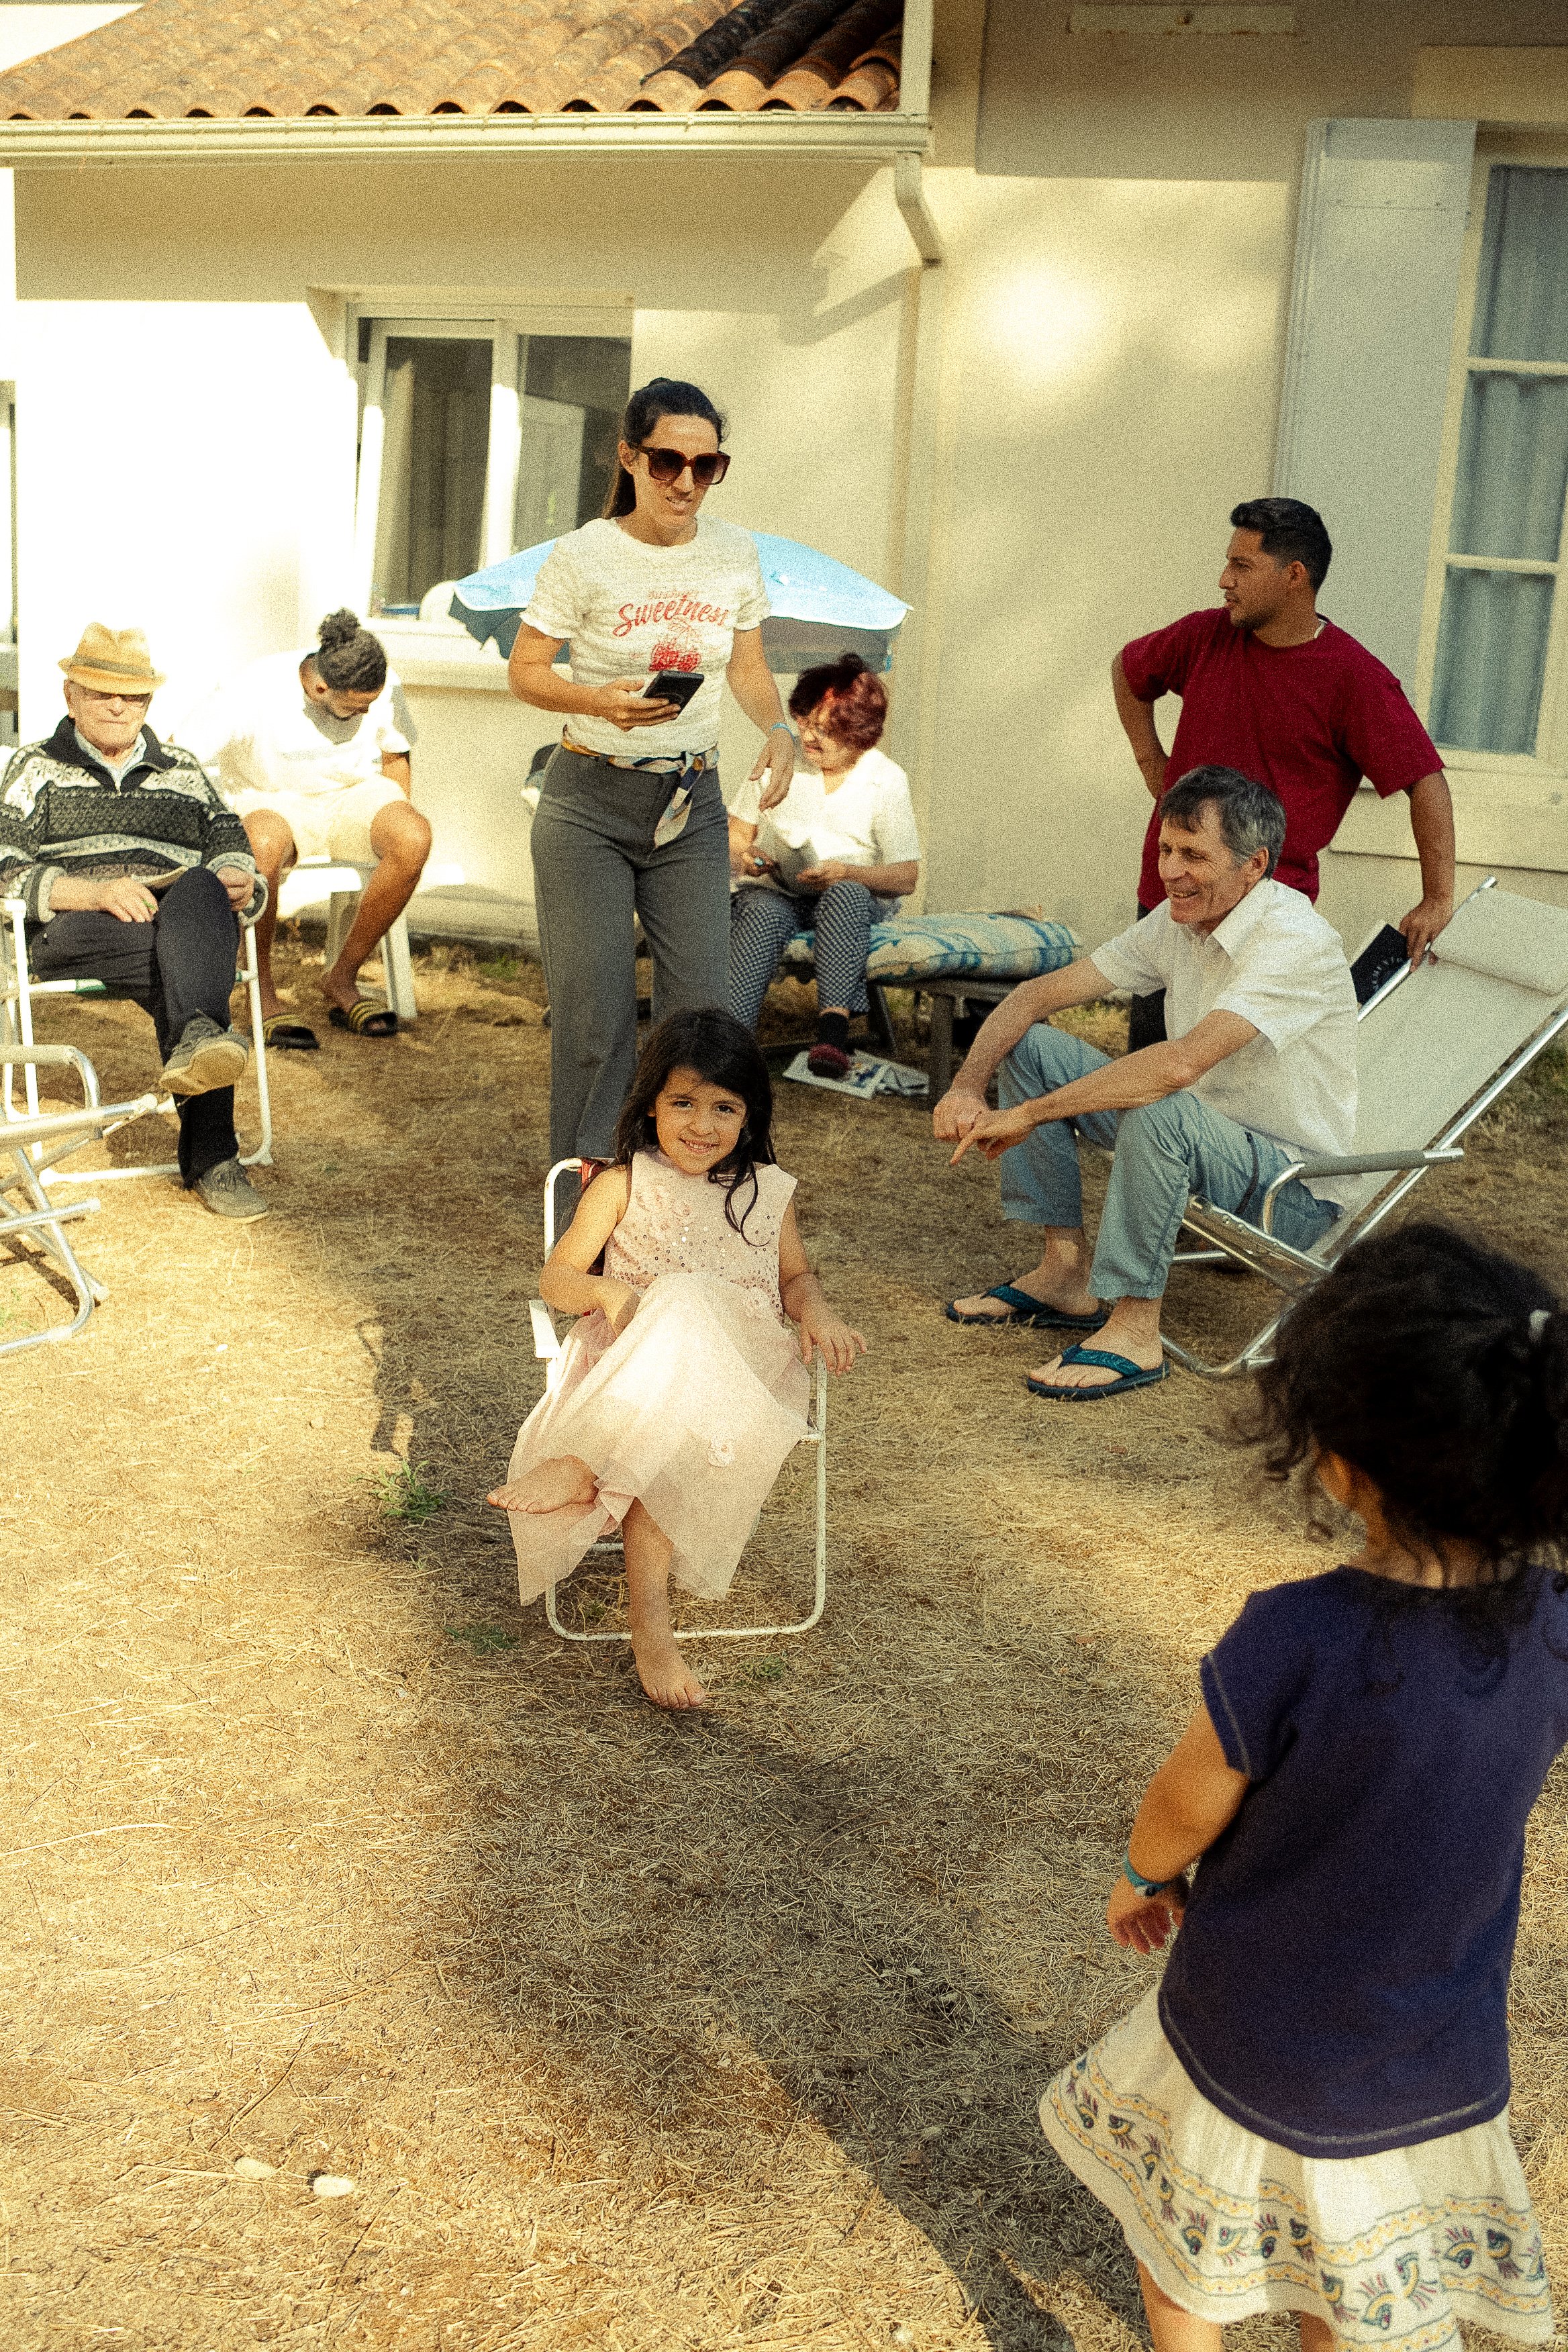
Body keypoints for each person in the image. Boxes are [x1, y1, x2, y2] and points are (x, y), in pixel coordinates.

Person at [1039, 1220, 1567, 2352]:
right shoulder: (1555, 1627)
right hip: (1434, 2046)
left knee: (1179, 2246)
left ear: (1341, 1460)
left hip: (1254, 2031)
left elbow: (1186, 1800)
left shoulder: (1294, 1633)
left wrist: (1146, 1871)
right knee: (1352, 2282)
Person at [937, 766, 1356, 1400]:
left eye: (1194, 854)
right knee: (1034, 1044)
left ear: (1254, 865)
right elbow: (1033, 996)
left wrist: (1031, 1114)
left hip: (1292, 1193)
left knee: (1162, 1106)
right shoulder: (1181, 918)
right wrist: (967, 1087)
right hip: (1204, 1139)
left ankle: (1134, 1329)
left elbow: (1177, 1067)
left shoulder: (1294, 940)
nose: (1170, 870)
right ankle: (1064, 1274)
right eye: (1166, 849)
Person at [488, 1008, 865, 1710]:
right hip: (640, 1371)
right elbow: (557, 1279)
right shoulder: (621, 1184)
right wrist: (604, 1287)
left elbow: (794, 1279)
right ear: (651, 1104)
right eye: (682, 1103)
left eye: (724, 1108)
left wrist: (815, 1309)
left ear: (749, 1117)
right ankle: (651, 1632)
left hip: (743, 1373)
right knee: (662, 1436)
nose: (701, 1126)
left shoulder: (765, 1190)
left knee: (688, 1298)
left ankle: (585, 1463)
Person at [509, 377, 797, 1167]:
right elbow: (527, 670)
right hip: (588, 804)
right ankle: (589, 1198)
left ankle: (684, 1193)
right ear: (629, 457)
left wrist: (777, 726)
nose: (683, 482)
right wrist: (595, 701)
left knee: (703, 1015)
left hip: (688, 804)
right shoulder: (583, 555)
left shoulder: (734, 552)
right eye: (667, 461)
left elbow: (747, 665)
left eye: (705, 466)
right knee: (596, 1022)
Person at [1114, 497, 1454, 1051]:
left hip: (1263, 922)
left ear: (1294, 575)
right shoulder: (1205, 636)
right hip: (1170, 899)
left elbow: (1426, 781)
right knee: (1145, 1077)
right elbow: (1128, 670)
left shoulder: (1353, 678)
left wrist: (1437, 897)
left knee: (1234, 1094)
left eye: (1242, 566)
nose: (1224, 580)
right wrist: (1151, 760)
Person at [0, 623, 268, 1220]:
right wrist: (94, 893)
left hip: (173, 917)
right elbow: (3, 865)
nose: (119, 706)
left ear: (150, 702)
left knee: (199, 886)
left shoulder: (184, 769)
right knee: (192, 958)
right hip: (74, 928)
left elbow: (230, 842)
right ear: (70, 696)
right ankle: (214, 1156)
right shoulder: (35, 768)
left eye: (135, 696)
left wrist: (240, 880)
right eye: (101, 693)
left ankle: (197, 1039)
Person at [185, 610, 432, 1045]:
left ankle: (341, 979)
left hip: (349, 796)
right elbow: (182, 757)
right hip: (271, 797)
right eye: (357, 706)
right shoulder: (252, 688)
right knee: (260, 842)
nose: (368, 711)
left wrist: (394, 825)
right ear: (320, 687)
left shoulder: (381, 681)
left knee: (413, 836)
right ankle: (260, 995)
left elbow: (395, 755)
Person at [727, 652, 920, 1077]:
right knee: (759, 908)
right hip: (778, 888)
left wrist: (848, 872)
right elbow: (736, 833)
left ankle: (832, 1036)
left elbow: (906, 876)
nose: (808, 738)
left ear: (857, 734)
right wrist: (745, 856)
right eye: (804, 722)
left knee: (847, 894)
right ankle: (732, 1041)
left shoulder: (884, 779)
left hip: (848, 897)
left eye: (824, 730)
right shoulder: (782, 757)